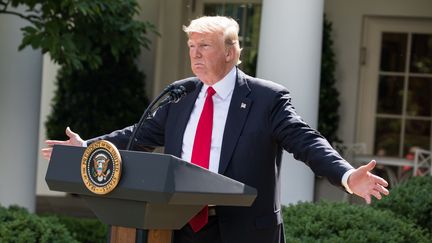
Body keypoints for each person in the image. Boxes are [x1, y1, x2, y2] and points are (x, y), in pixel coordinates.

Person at [42, 16, 389, 243]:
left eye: (204, 46)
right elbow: (139, 135)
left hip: (244, 231)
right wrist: (88, 147)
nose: (195, 54)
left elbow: (307, 142)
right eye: (192, 46)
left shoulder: (266, 99)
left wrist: (346, 176)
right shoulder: (181, 93)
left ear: (231, 51)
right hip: (179, 226)